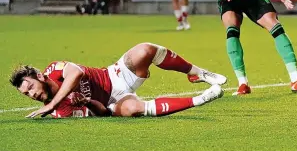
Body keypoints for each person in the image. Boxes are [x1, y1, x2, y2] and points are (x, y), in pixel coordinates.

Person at [12, 42, 226, 119]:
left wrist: (51, 104)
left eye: (30, 87)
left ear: (39, 76)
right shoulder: (60, 113)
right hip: (112, 103)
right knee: (134, 109)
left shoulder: (53, 70)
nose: (31, 94)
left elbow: (76, 72)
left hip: (114, 75)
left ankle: (197, 72)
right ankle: (200, 99)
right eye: (26, 94)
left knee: (146, 50)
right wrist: (86, 102)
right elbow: (102, 113)